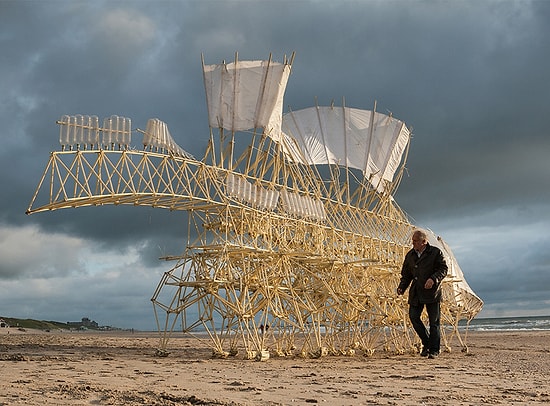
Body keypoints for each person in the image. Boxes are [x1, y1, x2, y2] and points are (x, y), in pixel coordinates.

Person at [397, 229, 448, 359]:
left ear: (424, 242)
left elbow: (443, 269)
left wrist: (433, 279)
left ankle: (434, 350)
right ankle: (427, 343)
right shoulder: (410, 256)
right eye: (412, 241)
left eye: (415, 241)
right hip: (416, 292)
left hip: (432, 292)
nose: (413, 243)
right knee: (414, 317)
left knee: (434, 322)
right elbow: (406, 275)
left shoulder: (435, 253)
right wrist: (402, 287)